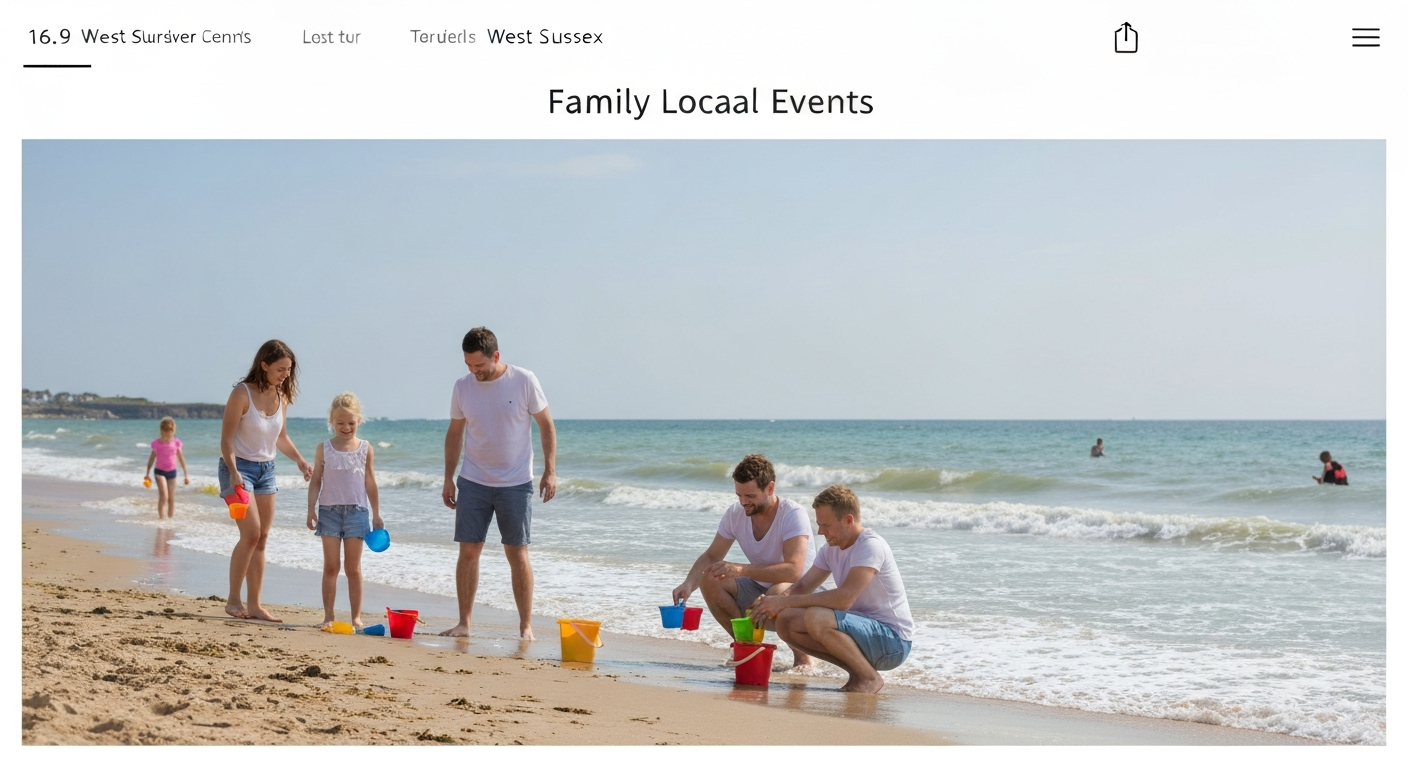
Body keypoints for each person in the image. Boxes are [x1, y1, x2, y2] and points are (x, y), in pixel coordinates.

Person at [439, 327, 557, 640]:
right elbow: (454, 435)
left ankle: (525, 626)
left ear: (496, 356)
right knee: (468, 552)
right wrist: (449, 478)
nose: (474, 372)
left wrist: (550, 470)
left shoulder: (524, 380)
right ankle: (464, 623)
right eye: (468, 365)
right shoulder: (462, 387)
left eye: (479, 365)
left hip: (516, 482)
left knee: (517, 554)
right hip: (473, 480)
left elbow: (546, 426)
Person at [750, 484, 914, 694]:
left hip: (893, 642)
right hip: (861, 631)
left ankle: (869, 678)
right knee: (786, 621)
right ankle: (857, 672)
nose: (820, 531)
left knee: (817, 617)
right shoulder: (831, 549)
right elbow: (802, 586)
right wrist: (771, 604)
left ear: (848, 520)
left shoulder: (870, 546)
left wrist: (783, 602)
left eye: (826, 525)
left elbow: (844, 599)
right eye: (819, 524)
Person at [671, 453, 815, 670]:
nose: (743, 502)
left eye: (750, 496)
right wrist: (688, 584)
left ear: (770, 488)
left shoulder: (792, 514)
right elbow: (712, 556)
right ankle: (747, 647)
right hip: (761, 586)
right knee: (711, 577)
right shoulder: (736, 513)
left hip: (803, 590)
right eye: (739, 495)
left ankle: (803, 659)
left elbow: (794, 570)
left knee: (777, 592)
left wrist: (739, 569)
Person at [219, 340, 313, 622]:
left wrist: (299, 460)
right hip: (238, 469)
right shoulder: (241, 394)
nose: (285, 374)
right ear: (264, 365)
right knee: (251, 534)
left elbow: (280, 437)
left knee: (262, 538)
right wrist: (234, 472)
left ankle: (255, 605)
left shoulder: (281, 397)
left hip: (266, 471)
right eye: (280, 369)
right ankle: (233, 601)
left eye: (288, 370)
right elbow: (226, 440)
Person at [306, 392, 383, 630]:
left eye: (350, 423)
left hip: (357, 512)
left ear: (359, 421)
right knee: (331, 566)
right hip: (328, 511)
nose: (346, 427)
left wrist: (376, 513)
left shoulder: (365, 449)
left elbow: (370, 481)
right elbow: (316, 481)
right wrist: (311, 509)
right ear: (331, 421)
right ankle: (329, 616)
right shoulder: (324, 448)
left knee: (353, 568)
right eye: (340, 423)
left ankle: (356, 617)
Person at [143, 417, 189, 519]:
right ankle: (161, 519)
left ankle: (170, 520)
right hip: (159, 472)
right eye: (165, 432)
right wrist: (147, 473)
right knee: (164, 496)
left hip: (172, 472)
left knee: (171, 499)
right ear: (161, 431)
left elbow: (181, 458)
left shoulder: (176, 443)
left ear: (173, 431)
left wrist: (186, 475)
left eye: (170, 432)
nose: (168, 434)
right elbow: (151, 459)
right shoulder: (156, 444)